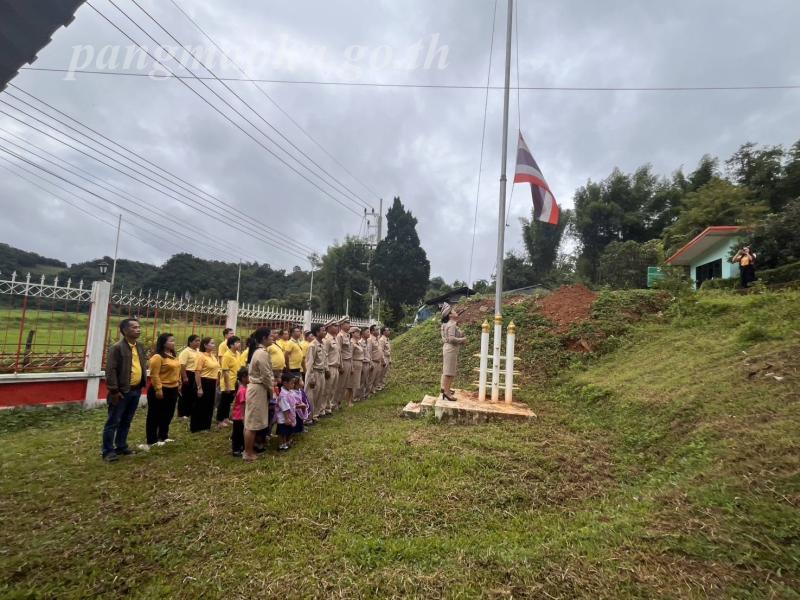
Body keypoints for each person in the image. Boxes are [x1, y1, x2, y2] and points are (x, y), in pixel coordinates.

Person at [102, 318, 148, 462]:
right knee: (113, 421)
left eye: (139, 327)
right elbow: (111, 371)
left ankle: (121, 446)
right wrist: (114, 391)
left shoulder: (139, 346)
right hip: (122, 392)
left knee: (126, 420)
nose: (138, 329)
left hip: (136, 389)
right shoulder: (117, 348)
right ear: (125, 330)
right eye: (134, 327)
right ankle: (108, 451)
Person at [141, 332, 181, 451]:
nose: (173, 343)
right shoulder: (157, 357)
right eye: (171, 341)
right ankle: (152, 440)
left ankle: (163, 436)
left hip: (173, 389)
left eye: (174, 340)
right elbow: (154, 375)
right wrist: (158, 389)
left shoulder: (173, 355)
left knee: (168, 413)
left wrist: (178, 383)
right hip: (161, 389)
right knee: (155, 414)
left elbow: (177, 371)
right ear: (163, 343)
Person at [243, 328, 273, 461]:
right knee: (252, 423)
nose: (273, 338)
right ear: (264, 338)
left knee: (253, 421)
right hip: (258, 388)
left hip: (257, 388)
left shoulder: (259, 352)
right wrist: (271, 390)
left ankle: (250, 448)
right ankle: (248, 452)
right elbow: (266, 375)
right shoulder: (261, 353)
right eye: (270, 336)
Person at [192, 337, 220, 432]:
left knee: (209, 404)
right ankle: (197, 427)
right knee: (200, 404)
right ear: (205, 345)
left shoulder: (212, 356)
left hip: (212, 383)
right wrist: (199, 387)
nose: (214, 345)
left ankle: (206, 426)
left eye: (214, 343)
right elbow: (197, 372)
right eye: (212, 343)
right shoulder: (201, 356)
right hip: (204, 381)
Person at [440, 303, 467, 402]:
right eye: (453, 311)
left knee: (449, 371)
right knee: (449, 372)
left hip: (450, 349)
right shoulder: (451, 324)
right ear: (450, 315)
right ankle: (446, 393)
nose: (456, 312)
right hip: (451, 349)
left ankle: (445, 390)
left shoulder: (449, 324)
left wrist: (460, 333)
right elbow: (451, 339)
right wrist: (463, 339)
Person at [218, 335, 242, 428]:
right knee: (224, 401)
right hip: (228, 382)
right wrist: (227, 386)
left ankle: (226, 418)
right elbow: (225, 371)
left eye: (239, 342)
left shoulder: (238, 354)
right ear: (231, 345)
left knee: (229, 401)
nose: (239, 344)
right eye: (237, 342)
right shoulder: (227, 355)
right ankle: (220, 420)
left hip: (235, 381)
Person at [305, 323, 327, 421]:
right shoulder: (312, 345)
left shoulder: (322, 344)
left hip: (321, 372)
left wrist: (326, 369)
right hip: (314, 373)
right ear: (317, 332)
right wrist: (311, 377)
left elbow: (325, 359)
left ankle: (315, 415)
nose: (324, 332)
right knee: (311, 396)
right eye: (322, 330)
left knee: (319, 394)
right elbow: (309, 363)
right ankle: (308, 418)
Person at [177, 334, 201, 420]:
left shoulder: (198, 351)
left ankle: (190, 412)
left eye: (199, 341)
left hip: (196, 374)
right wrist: (184, 377)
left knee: (193, 394)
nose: (198, 342)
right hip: (188, 373)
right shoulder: (186, 352)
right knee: (185, 394)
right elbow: (182, 365)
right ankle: (182, 413)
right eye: (196, 341)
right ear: (190, 342)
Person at [322, 320, 341, 414]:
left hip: (336, 367)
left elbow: (338, 353)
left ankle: (329, 407)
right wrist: (326, 369)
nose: (337, 327)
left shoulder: (335, 338)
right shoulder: (326, 339)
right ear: (328, 327)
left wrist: (340, 365)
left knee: (333, 389)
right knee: (327, 389)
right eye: (334, 325)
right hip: (329, 367)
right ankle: (323, 408)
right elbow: (325, 355)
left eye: (337, 325)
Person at [275, 372, 298, 451]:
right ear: (285, 383)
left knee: (288, 430)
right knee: (282, 432)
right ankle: (282, 444)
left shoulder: (289, 392)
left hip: (289, 416)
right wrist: (287, 418)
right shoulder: (283, 396)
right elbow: (285, 409)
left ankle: (287, 442)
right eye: (292, 383)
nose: (293, 385)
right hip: (283, 418)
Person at [230, 367, 249, 457]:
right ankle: (236, 449)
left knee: (241, 432)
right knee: (237, 433)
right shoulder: (242, 390)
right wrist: (243, 417)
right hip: (239, 416)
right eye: (249, 376)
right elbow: (242, 405)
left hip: (241, 415)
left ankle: (241, 447)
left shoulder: (245, 388)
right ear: (244, 378)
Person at [336, 317, 353, 407]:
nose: (349, 325)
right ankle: (335, 402)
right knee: (340, 384)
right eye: (347, 323)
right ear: (342, 325)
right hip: (344, 361)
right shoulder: (340, 336)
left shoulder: (347, 335)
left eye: (349, 323)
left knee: (345, 384)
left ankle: (339, 402)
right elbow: (339, 351)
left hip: (348, 361)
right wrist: (341, 365)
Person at [349, 327, 364, 406]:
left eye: (359, 332)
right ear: (352, 333)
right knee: (352, 383)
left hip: (359, 363)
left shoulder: (358, 342)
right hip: (354, 363)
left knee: (356, 382)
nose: (358, 333)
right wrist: (351, 367)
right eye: (357, 332)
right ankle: (350, 400)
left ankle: (353, 398)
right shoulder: (352, 343)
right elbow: (350, 356)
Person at [367, 325, 383, 395]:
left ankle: (373, 389)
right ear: (372, 331)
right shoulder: (370, 339)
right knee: (371, 378)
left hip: (378, 361)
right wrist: (370, 363)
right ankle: (368, 392)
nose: (378, 331)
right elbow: (369, 352)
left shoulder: (377, 339)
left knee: (376, 377)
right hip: (373, 361)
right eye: (376, 329)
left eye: (378, 329)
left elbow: (379, 350)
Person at [359, 328, 371, 401]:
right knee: (361, 381)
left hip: (368, 362)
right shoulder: (360, 342)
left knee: (366, 380)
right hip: (363, 363)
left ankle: (364, 395)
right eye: (367, 332)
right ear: (363, 333)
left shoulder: (367, 342)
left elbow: (368, 353)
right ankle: (358, 397)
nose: (369, 333)